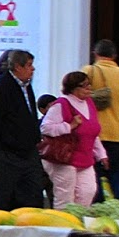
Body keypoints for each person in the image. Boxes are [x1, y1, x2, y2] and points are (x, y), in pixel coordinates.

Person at [40, 71, 107, 209]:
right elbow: (45, 128)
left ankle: (77, 223)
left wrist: (101, 154)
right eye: (84, 86)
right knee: (65, 198)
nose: (89, 88)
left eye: (89, 85)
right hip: (65, 159)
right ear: (73, 88)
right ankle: (62, 228)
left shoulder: (89, 104)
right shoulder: (61, 104)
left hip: (85, 158)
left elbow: (92, 133)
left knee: (88, 192)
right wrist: (70, 126)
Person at [0, 48, 48, 211]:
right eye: (29, 65)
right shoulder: (0, 87)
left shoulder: (27, 86)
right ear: (18, 67)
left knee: (33, 194)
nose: (33, 69)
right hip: (9, 153)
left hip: (29, 151)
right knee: (8, 196)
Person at [83, 40, 119, 197]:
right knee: (116, 174)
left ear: (95, 54)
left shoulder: (88, 71)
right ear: (114, 56)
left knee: (93, 175)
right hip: (118, 135)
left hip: (94, 135)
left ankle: (94, 213)